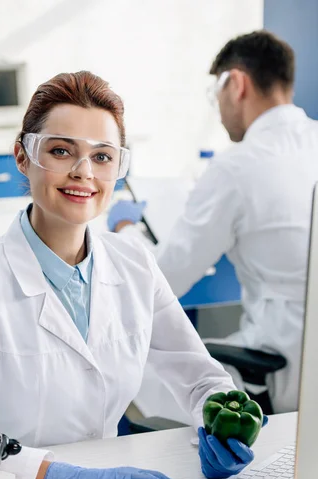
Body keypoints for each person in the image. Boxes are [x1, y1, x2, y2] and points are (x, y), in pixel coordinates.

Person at [0, 71, 255, 479]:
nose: (84, 173)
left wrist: (218, 417)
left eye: (102, 157)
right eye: (61, 151)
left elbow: (199, 375)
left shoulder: (134, 264)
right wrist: (62, 476)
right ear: (23, 156)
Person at [108, 30, 318, 414]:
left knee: (136, 374)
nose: (219, 109)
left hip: (285, 365)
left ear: (235, 83)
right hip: (305, 360)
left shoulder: (237, 166)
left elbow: (166, 278)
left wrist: (126, 230)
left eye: (216, 94)